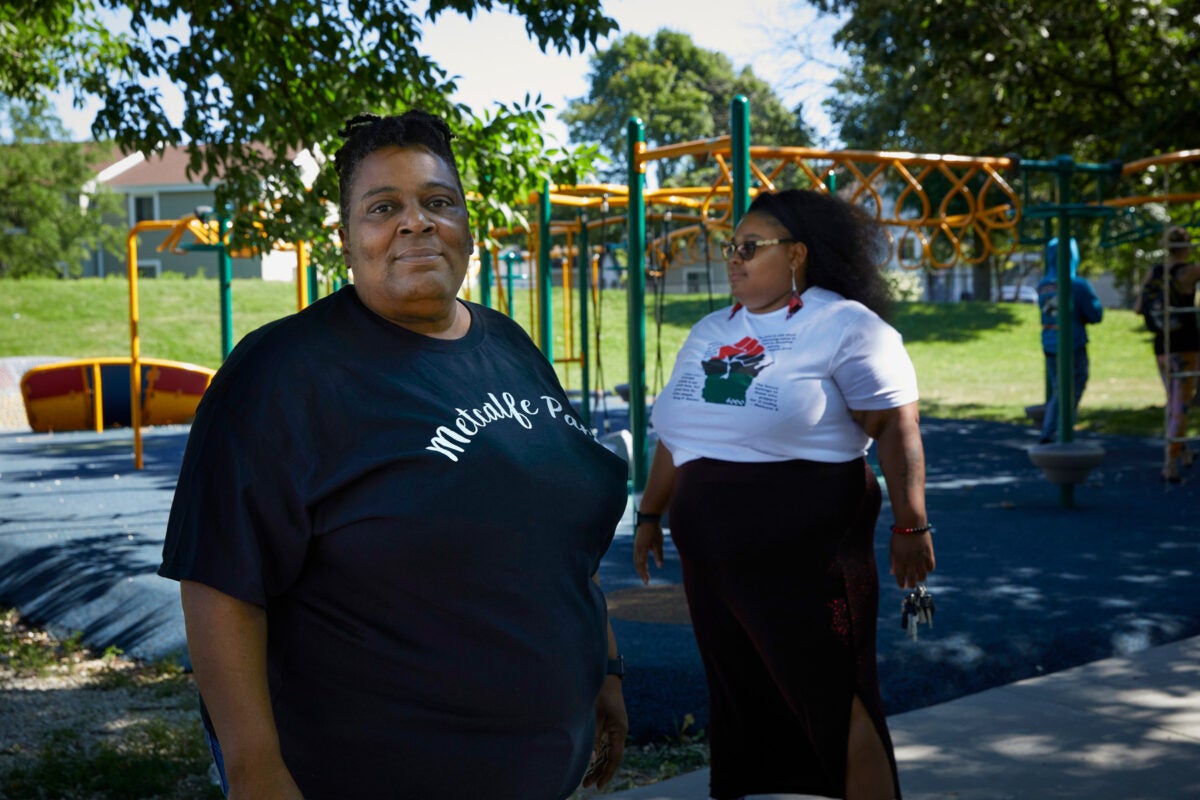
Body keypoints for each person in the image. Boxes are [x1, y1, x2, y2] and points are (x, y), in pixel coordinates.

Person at [158, 111, 629, 799]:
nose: (416, 222)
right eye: (384, 208)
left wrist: (605, 670)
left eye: (438, 202)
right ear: (346, 239)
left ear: (467, 225)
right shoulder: (284, 373)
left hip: (539, 769)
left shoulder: (510, 346)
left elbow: (558, 534)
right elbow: (220, 581)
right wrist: (256, 769)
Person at [634, 188, 935, 800]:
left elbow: (896, 428)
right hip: (712, 561)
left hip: (808, 558)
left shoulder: (846, 326)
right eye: (730, 247)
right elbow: (676, 433)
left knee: (833, 695)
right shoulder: (711, 329)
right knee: (741, 700)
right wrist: (650, 513)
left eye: (750, 247)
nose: (733, 259)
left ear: (797, 254)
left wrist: (912, 525)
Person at [1134, 225, 1200, 482]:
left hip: (1162, 345)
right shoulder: (1191, 271)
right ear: (1188, 246)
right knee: (1179, 405)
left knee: (1173, 401)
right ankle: (1170, 462)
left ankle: (1182, 451)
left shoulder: (1155, 271)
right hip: (1186, 345)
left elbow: (1139, 307)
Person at [1035, 237, 1104, 443]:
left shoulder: (1043, 285)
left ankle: (1055, 428)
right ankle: (1055, 429)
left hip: (1049, 342)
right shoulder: (1077, 285)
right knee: (1072, 385)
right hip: (1072, 343)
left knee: (1059, 386)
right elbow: (1095, 314)